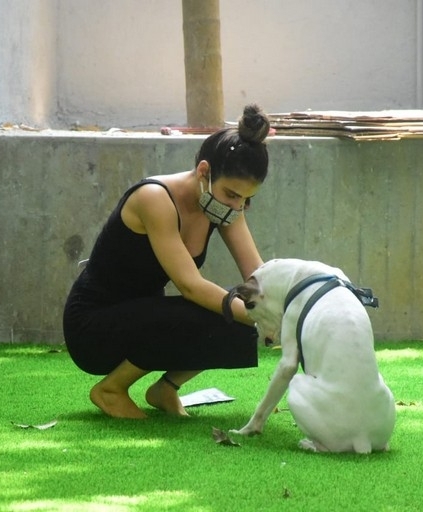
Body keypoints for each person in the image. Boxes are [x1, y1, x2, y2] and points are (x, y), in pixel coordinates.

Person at [63, 104, 271, 419]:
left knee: (245, 315)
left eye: (246, 199)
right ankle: (110, 389)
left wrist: (281, 307)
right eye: (231, 194)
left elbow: (259, 277)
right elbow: (190, 286)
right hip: (93, 327)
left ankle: (165, 389)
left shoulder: (224, 206)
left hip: (149, 320)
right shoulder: (154, 199)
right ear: (204, 172)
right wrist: (260, 315)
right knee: (232, 310)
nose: (238, 205)